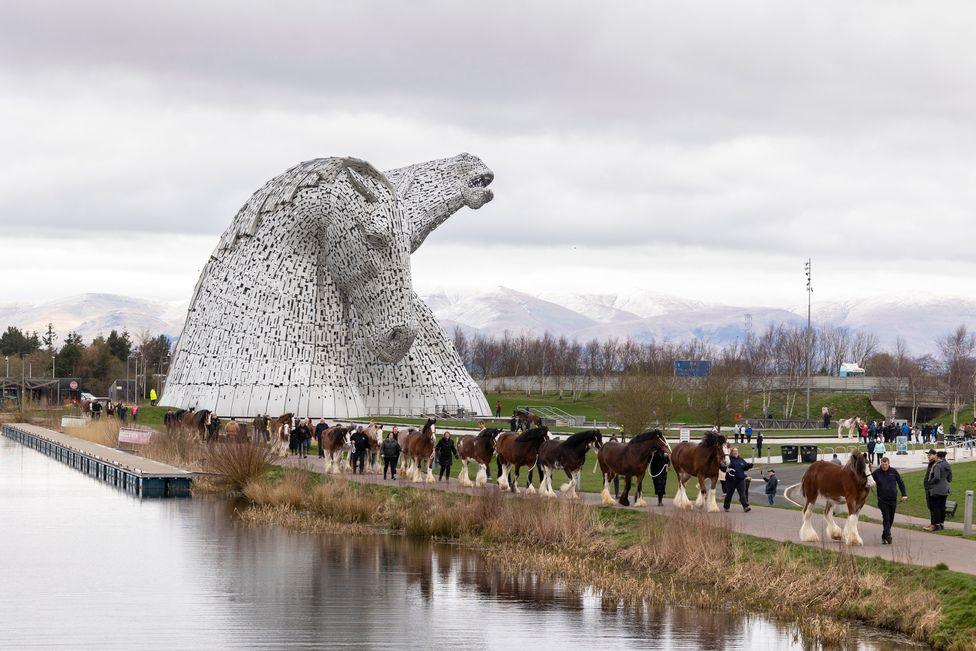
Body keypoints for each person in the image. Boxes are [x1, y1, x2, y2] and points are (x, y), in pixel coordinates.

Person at [871, 456, 907, 544]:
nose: (884, 466)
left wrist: (904, 494)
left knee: (891, 519)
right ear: (881, 464)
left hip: (893, 499)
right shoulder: (876, 473)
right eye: (882, 464)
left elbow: (900, 482)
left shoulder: (893, 471)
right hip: (882, 500)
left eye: (886, 464)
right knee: (886, 518)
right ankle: (888, 536)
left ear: (888, 463)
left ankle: (884, 535)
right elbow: (869, 481)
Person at [924, 450, 952, 531]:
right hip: (945, 489)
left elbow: (936, 477)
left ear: (938, 456)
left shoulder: (937, 465)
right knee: (942, 507)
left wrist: (930, 482)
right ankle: (941, 524)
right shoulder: (947, 464)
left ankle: (935, 525)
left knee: (936, 507)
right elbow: (950, 478)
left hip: (936, 489)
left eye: (935, 455)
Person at [723, 447, 753, 512]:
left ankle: (745, 507)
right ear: (731, 452)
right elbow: (724, 467)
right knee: (729, 494)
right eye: (734, 451)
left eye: (736, 451)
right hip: (730, 480)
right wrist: (725, 468)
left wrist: (748, 466)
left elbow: (744, 468)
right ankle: (726, 506)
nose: (735, 452)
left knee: (742, 493)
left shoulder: (741, 459)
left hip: (740, 480)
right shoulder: (729, 460)